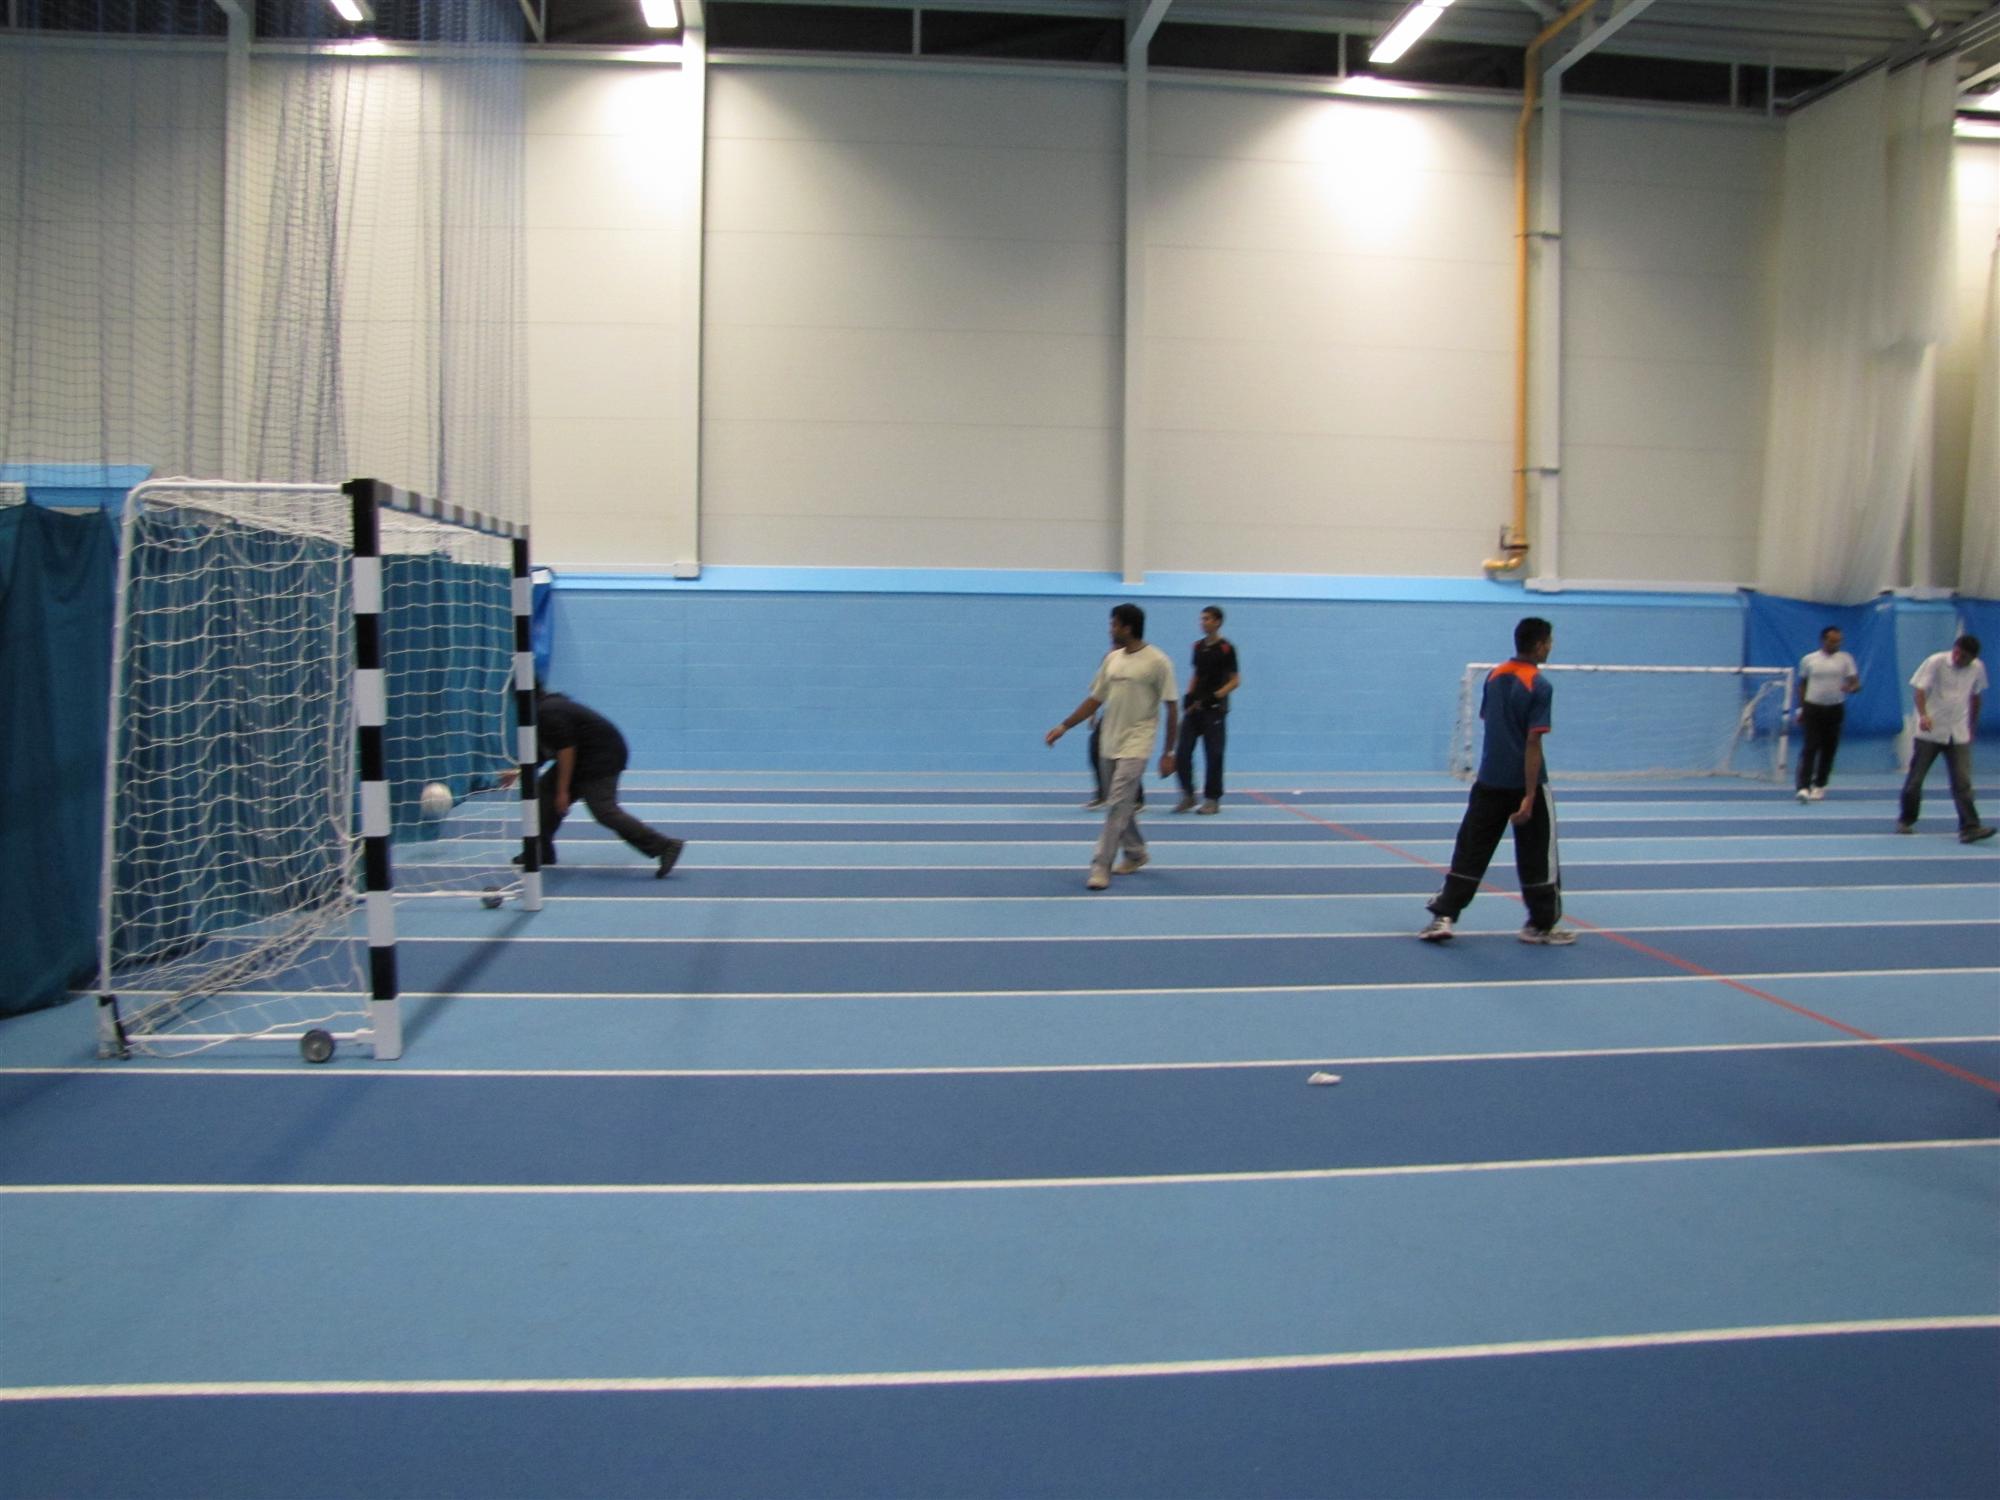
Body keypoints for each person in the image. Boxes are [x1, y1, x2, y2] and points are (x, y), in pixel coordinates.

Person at [1419, 617, 1573, 944]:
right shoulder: (1539, 685)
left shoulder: (1495, 676)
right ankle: (1540, 925)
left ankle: (1443, 916)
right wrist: (1530, 795)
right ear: (1541, 644)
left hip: (1489, 780)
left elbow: (1491, 721)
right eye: (1550, 642)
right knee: (1537, 856)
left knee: (1471, 848)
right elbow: (1533, 743)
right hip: (1522, 784)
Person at [1047, 604, 1178, 890]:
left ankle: (1099, 866)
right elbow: (1095, 699)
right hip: (1109, 741)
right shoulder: (1112, 660)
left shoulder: (1158, 662)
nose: (1110, 629)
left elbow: (1171, 707)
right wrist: (1064, 726)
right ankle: (1136, 852)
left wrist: (1169, 752)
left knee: (1117, 803)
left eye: (1114, 624)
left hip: (1137, 742)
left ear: (1127, 627)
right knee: (1119, 803)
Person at [523, 688, 686, 876]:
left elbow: (566, 750)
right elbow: (547, 751)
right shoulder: (547, 707)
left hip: (601, 759)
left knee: (604, 810)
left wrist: (563, 791)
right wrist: (520, 770)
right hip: (586, 757)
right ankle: (540, 851)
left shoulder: (547, 711)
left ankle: (664, 846)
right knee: (544, 793)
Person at [1897, 636, 1994, 844]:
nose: (1962, 660)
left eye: (1967, 658)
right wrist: (1923, 715)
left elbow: (1976, 696)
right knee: (1916, 780)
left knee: (1962, 782)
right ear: (1955, 649)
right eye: (1960, 655)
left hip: (1958, 732)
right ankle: (1906, 819)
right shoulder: (1936, 662)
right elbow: (1920, 691)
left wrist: (1972, 726)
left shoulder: (1977, 668)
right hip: (1930, 732)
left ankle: (1970, 827)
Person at [1175, 605, 1240, 815]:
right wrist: (1188, 696)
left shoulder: (1226, 648)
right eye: (1202, 619)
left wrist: (1217, 695)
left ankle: (1212, 799)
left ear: (1218, 622)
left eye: (1208, 619)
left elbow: (1235, 681)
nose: (1203, 622)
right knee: (1182, 753)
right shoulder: (1197, 647)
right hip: (1195, 709)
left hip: (1215, 710)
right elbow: (1196, 674)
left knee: (1214, 754)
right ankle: (1188, 794)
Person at [1794, 626, 1860, 802]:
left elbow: (1855, 684)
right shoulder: (1809, 660)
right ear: (1823, 640)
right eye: (1832, 641)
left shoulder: (1845, 659)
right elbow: (1802, 685)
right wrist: (1801, 708)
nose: (1836, 644)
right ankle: (1803, 787)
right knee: (1810, 747)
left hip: (1834, 708)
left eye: (1839, 641)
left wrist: (1850, 688)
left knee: (1829, 749)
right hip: (1812, 707)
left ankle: (1820, 784)